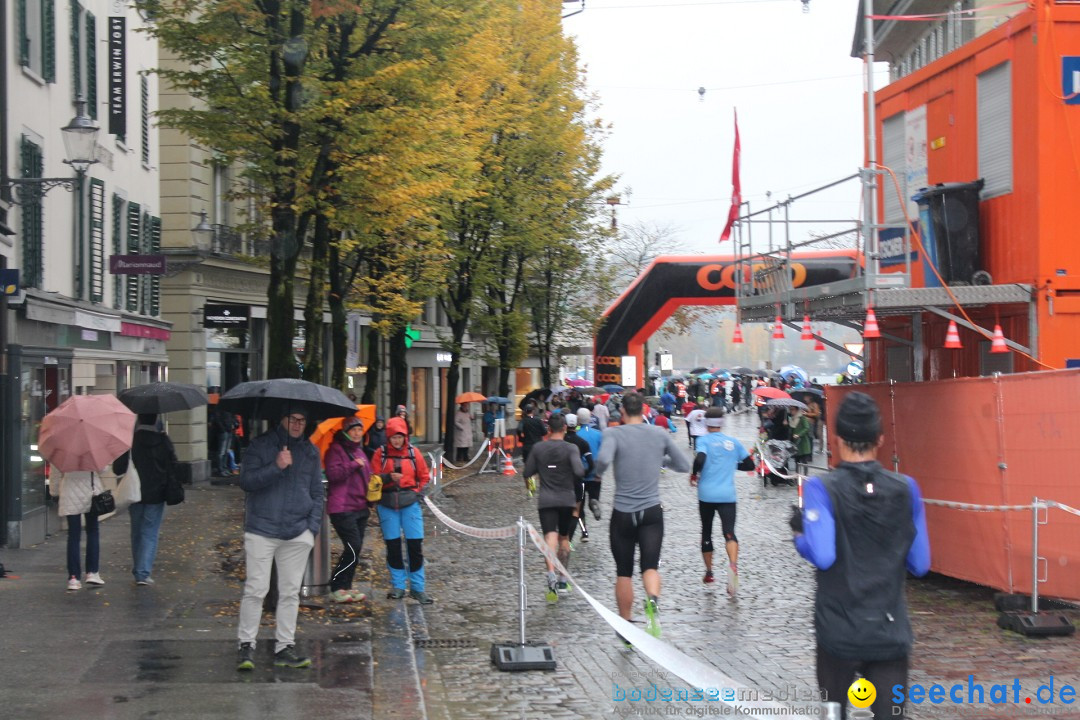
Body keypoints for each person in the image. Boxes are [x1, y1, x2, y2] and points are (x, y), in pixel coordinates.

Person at [791, 392, 931, 720]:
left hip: (838, 631)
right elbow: (920, 563)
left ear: (836, 438)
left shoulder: (820, 488)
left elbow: (823, 556)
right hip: (888, 629)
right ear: (880, 438)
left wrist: (800, 535)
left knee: (834, 713)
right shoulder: (907, 488)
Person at [593, 392, 691, 642]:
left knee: (623, 571)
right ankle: (652, 600)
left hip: (624, 512)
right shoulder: (659, 434)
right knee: (650, 565)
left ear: (623, 412)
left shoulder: (613, 434)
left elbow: (603, 459)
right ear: (644, 411)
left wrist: (598, 473)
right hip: (651, 511)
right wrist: (659, 458)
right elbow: (682, 465)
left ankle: (626, 628)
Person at [236, 408, 324, 671]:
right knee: (255, 590)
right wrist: (276, 466)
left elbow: (317, 492)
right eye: (293, 419)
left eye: (302, 420)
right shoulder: (260, 445)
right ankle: (246, 646)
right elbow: (246, 481)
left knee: (289, 593)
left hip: (297, 532)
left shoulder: (310, 451)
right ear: (282, 419)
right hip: (262, 528)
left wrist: (312, 529)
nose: (298, 424)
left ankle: (285, 647)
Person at [690, 407, 756, 595]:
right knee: (729, 533)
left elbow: (700, 458)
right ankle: (733, 565)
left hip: (706, 495)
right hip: (727, 495)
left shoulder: (703, 440)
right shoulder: (733, 442)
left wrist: (694, 474)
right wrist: (731, 464)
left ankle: (709, 572)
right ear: (722, 422)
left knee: (707, 532)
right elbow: (750, 464)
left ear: (706, 423)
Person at [523, 413, 585, 601]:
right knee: (564, 539)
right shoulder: (571, 448)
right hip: (566, 499)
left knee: (549, 537)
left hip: (547, 500)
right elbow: (579, 471)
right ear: (565, 428)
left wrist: (542, 470)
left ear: (548, 430)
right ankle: (562, 578)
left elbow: (527, 472)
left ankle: (550, 574)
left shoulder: (538, 447)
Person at [371, 417, 433, 604]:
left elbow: (424, 477)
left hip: (410, 505)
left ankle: (417, 588)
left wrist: (415, 492)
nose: (396, 441)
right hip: (387, 505)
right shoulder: (379, 454)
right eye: (393, 437)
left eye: (400, 437)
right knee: (393, 547)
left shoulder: (414, 454)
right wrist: (389, 478)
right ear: (388, 438)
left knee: (415, 547)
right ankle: (398, 586)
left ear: (405, 436)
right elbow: (373, 479)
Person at [113, 413, 179, 586]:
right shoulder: (163, 441)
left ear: (139, 420)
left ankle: (139, 569)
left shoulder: (130, 442)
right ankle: (143, 573)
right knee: (150, 532)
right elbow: (173, 467)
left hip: (134, 493)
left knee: (136, 531)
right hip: (156, 494)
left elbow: (117, 468)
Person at [324, 416, 371, 604]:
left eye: (360, 430)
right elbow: (333, 474)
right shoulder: (335, 450)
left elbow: (366, 477)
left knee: (355, 549)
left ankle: (346, 587)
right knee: (353, 546)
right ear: (345, 432)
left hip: (360, 506)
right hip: (342, 507)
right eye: (353, 430)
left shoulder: (360, 450)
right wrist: (353, 465)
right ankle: (336, 586)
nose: (357, 433)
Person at [51, 468, 107, 590]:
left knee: (73, 535)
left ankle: (73, 578)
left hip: (69, 490)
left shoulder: (63, 449)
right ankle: (92, 572)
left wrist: (54, 492)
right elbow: (103, 469)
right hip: (91, 492)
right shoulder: (92, 448)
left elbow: (55, 472)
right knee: (92, 531)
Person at [562, 413, 595, 543]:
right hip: (577, 479)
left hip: (562, 480)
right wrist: (584, 473)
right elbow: (591, 463)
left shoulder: (562, 440)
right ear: (577, 425)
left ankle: (563, 536)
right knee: (576, 511)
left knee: (563, 511)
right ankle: (569, 539)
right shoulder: (582, 442)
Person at [788, 406, 813, 473]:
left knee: (804, 460)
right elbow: (791, 429)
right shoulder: (792, 419)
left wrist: (799, 434)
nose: (791, 411)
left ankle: (805, 475)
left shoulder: (802, 418)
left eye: (792, 409)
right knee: (797, 460)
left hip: (803, 442)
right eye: (790, 410)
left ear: (796, 410)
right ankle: (797, 476)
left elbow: (806, 428)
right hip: (796, 442)